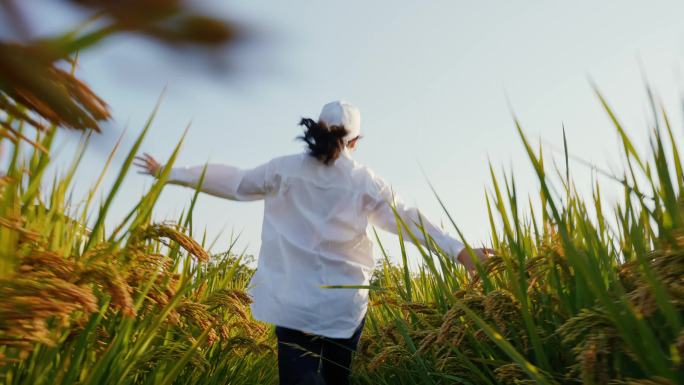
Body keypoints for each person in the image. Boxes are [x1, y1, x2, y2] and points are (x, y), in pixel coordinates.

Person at [134, 101, 490, 385]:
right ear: (355, 142)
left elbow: (235, 182)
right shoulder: (364, 181)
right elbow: (406, 218)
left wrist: (173, 173)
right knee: (337, 379)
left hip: (294, 304)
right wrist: (458, 251)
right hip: (343, 306)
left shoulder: (284, 170)